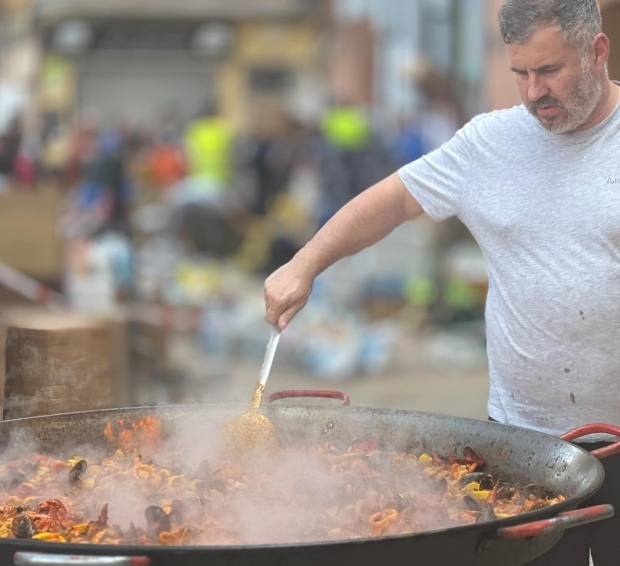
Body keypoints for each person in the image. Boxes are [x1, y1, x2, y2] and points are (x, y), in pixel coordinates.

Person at [263, 1, 620, 565]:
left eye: (549, 71)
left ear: (597, 52)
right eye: (519, 73)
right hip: (525, 446)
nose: (532, 92)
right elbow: (396, 198)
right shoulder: (491, 143)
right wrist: (304, 264)